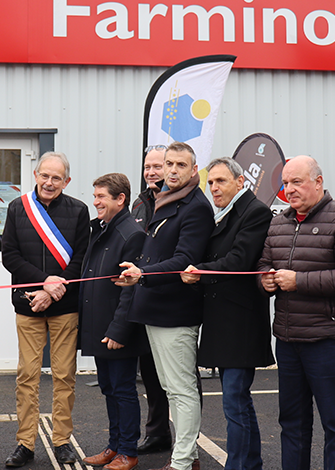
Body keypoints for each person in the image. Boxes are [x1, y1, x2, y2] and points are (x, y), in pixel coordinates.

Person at [258, 156, 335, 470]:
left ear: (318, 182)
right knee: (291, 421)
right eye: (285, 183)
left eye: (297, 182)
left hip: (328, 339)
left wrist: (299, 282)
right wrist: (264, 280)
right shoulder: (278, 222)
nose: (289, 189)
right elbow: (263, 264)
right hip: (288, 338)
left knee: (334, 422)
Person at [116, 141, 215, 470]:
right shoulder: (164, 199)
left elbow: (185, 259)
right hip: (155, 310)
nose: (172, 170)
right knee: (172, 389)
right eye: (169, 164)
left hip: (174, 312)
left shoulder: (195, 206)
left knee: (181, 389)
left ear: (193, 170)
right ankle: (192, 457)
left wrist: (142, 274)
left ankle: (183, 461)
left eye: (180, 165)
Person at [181, 157, 274, 470]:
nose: (214, 188)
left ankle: (239, 465)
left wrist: (199, 271)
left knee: (235, 400)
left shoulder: (254, 212)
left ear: (241, 182)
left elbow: (239, 261)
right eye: (210, 183)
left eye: (220, 181)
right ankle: (251, 463)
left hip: (241, 323)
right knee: (236, 401)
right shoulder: (222, 214)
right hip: (223, 322)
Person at [1, 151, 91, 467]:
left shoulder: (79, 211)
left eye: (57, 177)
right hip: (28, 304)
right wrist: (43, 284)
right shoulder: (17, 208)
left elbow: (81, 260)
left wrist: (52, 293)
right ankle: (25, 443)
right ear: (35, 175)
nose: (49, 182)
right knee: (27, 375)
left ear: (66, 181)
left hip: (64, 306)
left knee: (65, 375)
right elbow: (9, 256)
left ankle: (62, 440)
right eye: (45, 175)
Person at [79, 173, 148, 470]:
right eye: (94, 196)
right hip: (100, 327)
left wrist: (119, 329)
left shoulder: (130, 234)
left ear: (120, 199)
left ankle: (128, 452)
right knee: (109, 388)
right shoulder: (103, 229)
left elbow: (130, 291)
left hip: (116, 329)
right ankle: (115, 446)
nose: (95, 202)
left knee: (123, 390)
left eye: (101, 197)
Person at [129, 144, 173, 454]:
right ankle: (157, 434)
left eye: (157, 166)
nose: (151, 172)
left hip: (170, 300)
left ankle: (188, 445)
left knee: (177, 380)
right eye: (148, 167)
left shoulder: (181, 202)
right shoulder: (140, 202)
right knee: (150, 375)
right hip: (141, 296)